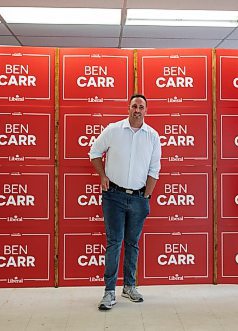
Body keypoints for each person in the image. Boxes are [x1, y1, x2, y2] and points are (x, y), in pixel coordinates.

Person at [89, 94, 161, 311]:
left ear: (146, 110)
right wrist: (102, 175)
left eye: (141, 107)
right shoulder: (113, 130)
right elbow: (94, 152)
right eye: (134, 106)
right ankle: (109, 292)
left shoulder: (153, 136)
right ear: (128, 108)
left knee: (132, 244)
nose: (137, 110)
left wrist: (146, 196)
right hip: (114, 196)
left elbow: (154, 170)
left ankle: (129, 286)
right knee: (114, 242)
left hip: (140, 198)